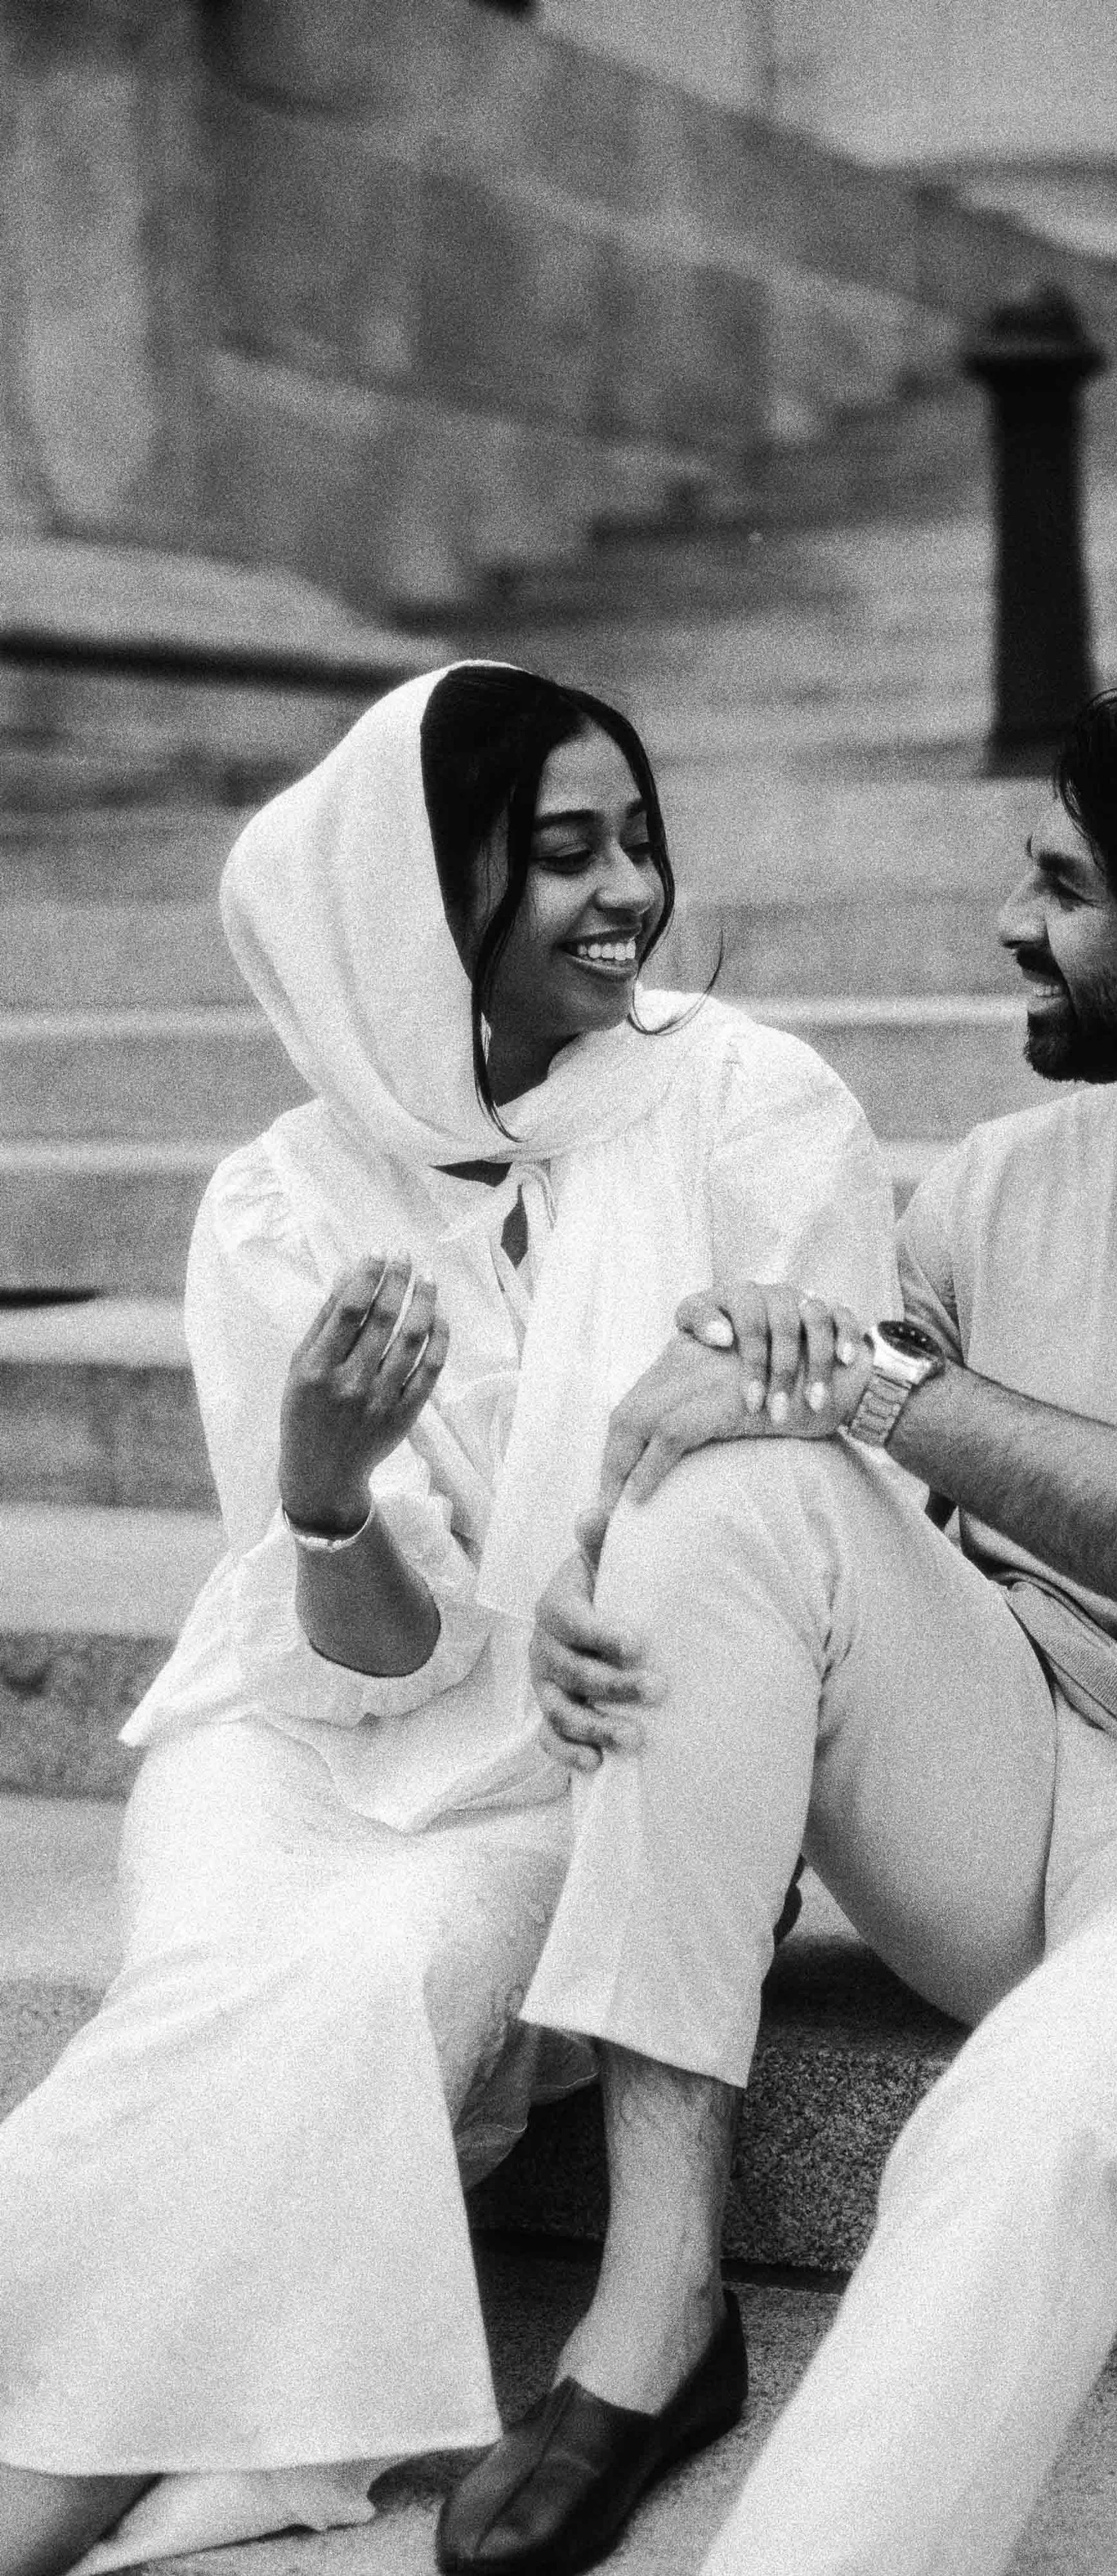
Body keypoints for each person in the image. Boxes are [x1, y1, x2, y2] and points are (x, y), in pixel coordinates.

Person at [437, 684, 1117, 2576]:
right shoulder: (998, 1183)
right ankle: (651, 2316)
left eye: (1062, 885)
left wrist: (868, 1386)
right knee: (727, 1491)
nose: (1006, 924)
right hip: (1017, 1774)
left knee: (1027, 2119)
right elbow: (781, 1429)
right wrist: (598, 1573)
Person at [0, 663, 896, 2576]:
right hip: (301, 1739)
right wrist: (326, 1486)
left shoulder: (746, 1100)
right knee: (208, 2000)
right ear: (423, 891)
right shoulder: (282, 1201)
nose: (627, 892)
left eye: (637, 839)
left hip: (600, 1735)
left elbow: (812, 1476)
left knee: (358, 1981)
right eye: (562, 852)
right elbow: (369, 1654)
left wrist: (607, 1571)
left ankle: (33, 2498)